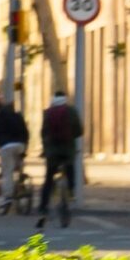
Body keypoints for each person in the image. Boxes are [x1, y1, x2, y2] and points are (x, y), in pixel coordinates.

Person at [35, 89, 80, 232]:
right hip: (67, 151)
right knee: (70, 168)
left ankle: (43, 205)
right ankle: (71, 192)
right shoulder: (71, 111)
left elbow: (43, 132)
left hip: (52, 153)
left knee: (48, 179)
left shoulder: (48, 112)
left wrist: (46, 148)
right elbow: (79, 131)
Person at [0, 92, 30, 211]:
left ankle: (7, 197)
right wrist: (25, 147)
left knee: (7, 172)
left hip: (6, 146)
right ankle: (21, 183)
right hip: (20, 144)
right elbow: (26, 132)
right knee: (19, 165)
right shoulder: (18, 116)